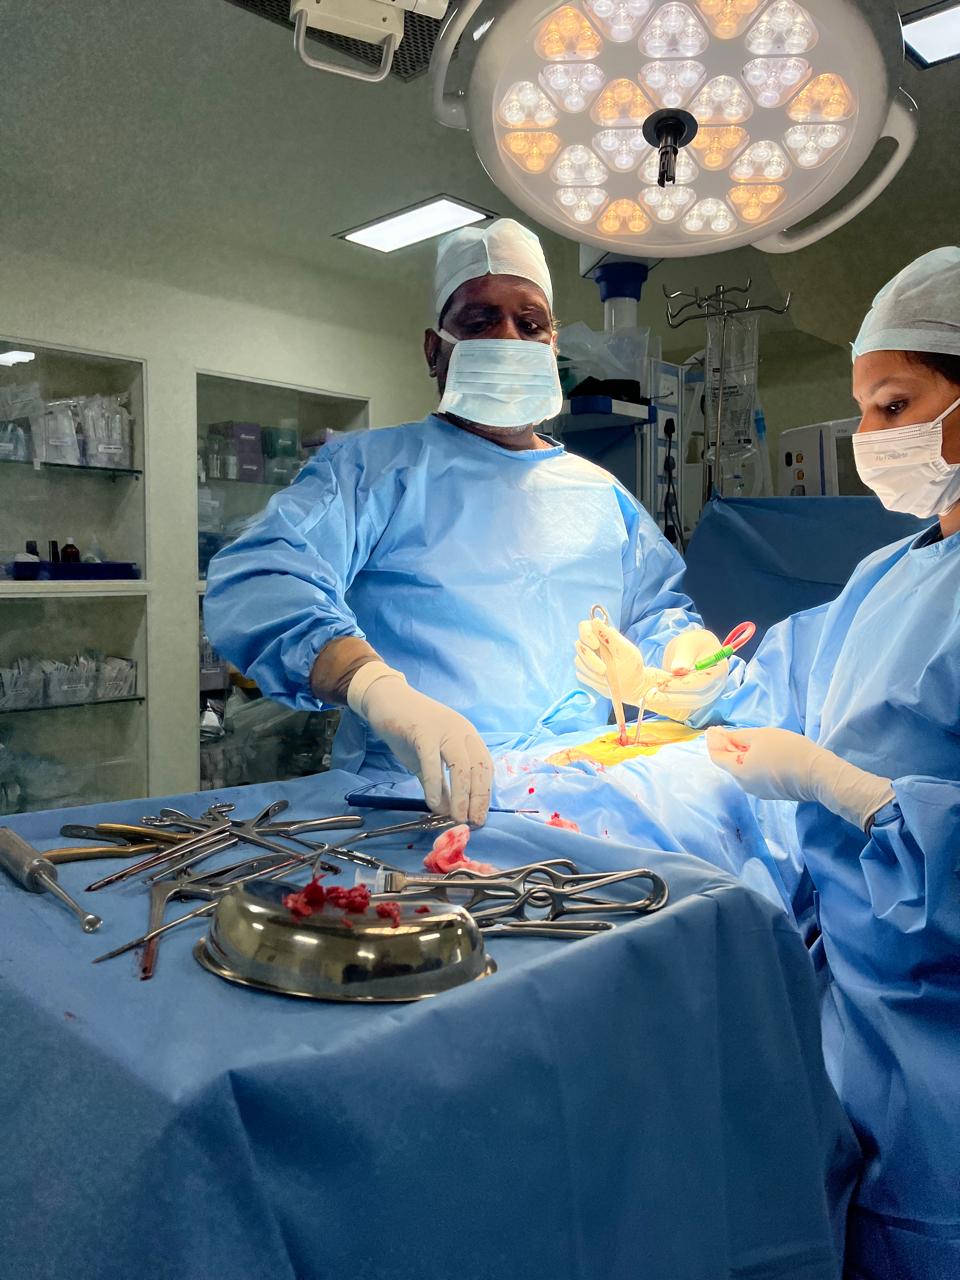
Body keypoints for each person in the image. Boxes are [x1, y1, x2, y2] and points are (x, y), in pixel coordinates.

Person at [583, 248, 960, 1278]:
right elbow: (788, 702)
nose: (870, 438)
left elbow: (829, 767)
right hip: (859, 1026)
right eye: (864, 408)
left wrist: (858, 797)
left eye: (895, 404)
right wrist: (683, 686)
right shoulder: (894, 568)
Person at [204, 218, 710, 827]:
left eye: (530, 323)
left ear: (553, 345)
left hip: (577, 793)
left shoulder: (601, 495)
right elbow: (261, 580)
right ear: (433, 350)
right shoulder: (375, 472)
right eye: (478, 322)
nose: (508, 339)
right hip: (415, 801)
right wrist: (375, 688)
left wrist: (683, 658)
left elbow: (655, 614)